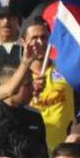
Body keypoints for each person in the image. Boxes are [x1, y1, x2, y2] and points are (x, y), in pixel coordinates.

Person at [21, 18, 74, 150]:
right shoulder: (17, 77)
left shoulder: (65, 69)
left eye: (44, 37)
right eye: (34, 38)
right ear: (23, 42)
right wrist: (30, 91)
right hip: (33, 151)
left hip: (65, 150)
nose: (40, 42)